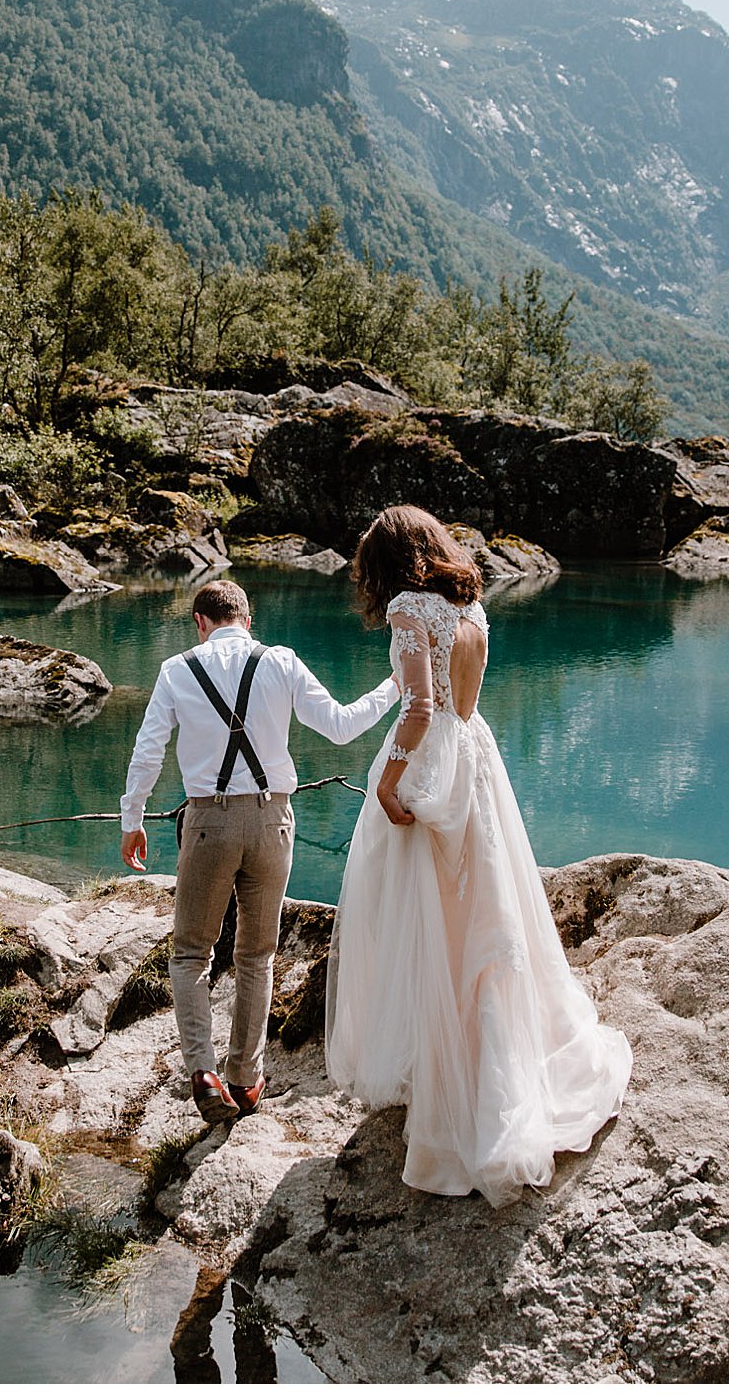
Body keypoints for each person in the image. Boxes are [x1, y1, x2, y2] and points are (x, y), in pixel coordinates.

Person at [325, 505, 633, 1205]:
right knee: (484, 924)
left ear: (389, 562)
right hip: (477, 760)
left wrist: (392, 779)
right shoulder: (470, 607)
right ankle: (490, 1068)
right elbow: (458, 706)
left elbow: (419, 710)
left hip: (433, 766)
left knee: (426, 927)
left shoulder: (409, 608)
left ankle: (453, 1092)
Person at [123, 578, 400, 1124]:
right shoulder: (280, 661)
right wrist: (396, 684)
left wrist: (133, 820)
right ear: (248, 621)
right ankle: (246, 1080)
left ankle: (202, 1068)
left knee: (191, 953)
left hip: (208, 823)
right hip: (274, 820)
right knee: (257, 954)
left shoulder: (178, 669)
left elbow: (147, 752)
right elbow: (342, 727)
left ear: (199, 624)